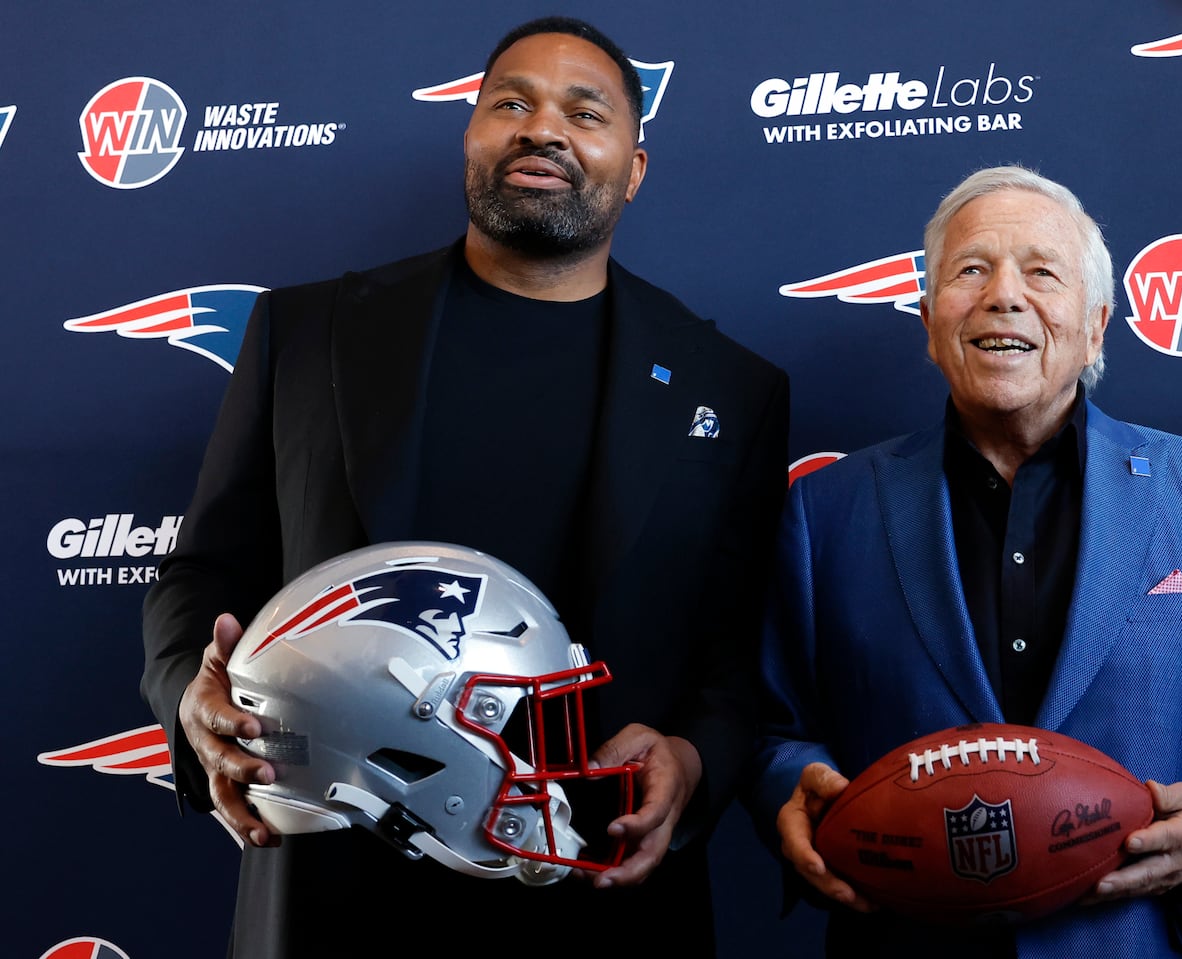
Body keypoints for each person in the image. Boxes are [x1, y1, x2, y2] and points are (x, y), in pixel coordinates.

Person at [140, 16, 788, 958]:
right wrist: (188, 701)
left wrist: (692, 759)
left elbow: (738, 654)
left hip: (599, 885)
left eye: (584, 111)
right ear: (472, 135)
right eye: (511, 103)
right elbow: (202, 573)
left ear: (633, 167)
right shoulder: (306, 334)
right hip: (336, 879)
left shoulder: (730, 387)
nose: (543, 129)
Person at [744, 165, 1182, 956]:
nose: (1004, 295)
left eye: (1041, 271)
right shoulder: (827, 510)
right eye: (971, 270)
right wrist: (792, 788)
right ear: (929, 322)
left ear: (1096, 325)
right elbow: (773, 728)